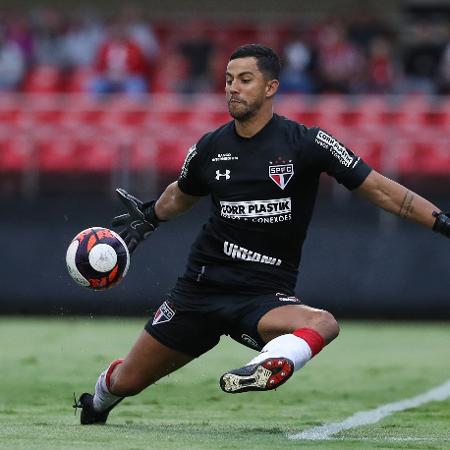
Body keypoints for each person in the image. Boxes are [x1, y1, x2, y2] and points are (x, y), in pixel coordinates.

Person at [73, 44, 450, 425]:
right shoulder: (209, 148)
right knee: (127, 382)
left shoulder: (307, 143)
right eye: (228, 80)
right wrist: (150, 216)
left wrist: (442, 221)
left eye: (245, 80)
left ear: (271, 88)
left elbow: (385, 192)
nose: (233, 88)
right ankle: (99, 400)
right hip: (200, 293)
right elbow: (179, 195)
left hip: (263, 297)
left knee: (324, 323)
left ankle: (263, 367)